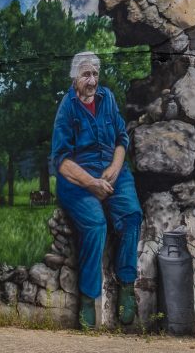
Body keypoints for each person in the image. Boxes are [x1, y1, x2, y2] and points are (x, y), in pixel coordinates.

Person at [51, 51, 143, 329]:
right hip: (78, 178)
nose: (92, 81)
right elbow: (62, 162)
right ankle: (88, 299)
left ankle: (126, 285)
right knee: (95, 226)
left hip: (112, 169)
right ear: (74, 78)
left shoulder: (107, 98)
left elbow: (121, 138)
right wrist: (92, 183)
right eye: (85, 75)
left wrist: (115, 169)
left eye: (95, 74)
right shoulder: (66, 109)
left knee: (131, 216)